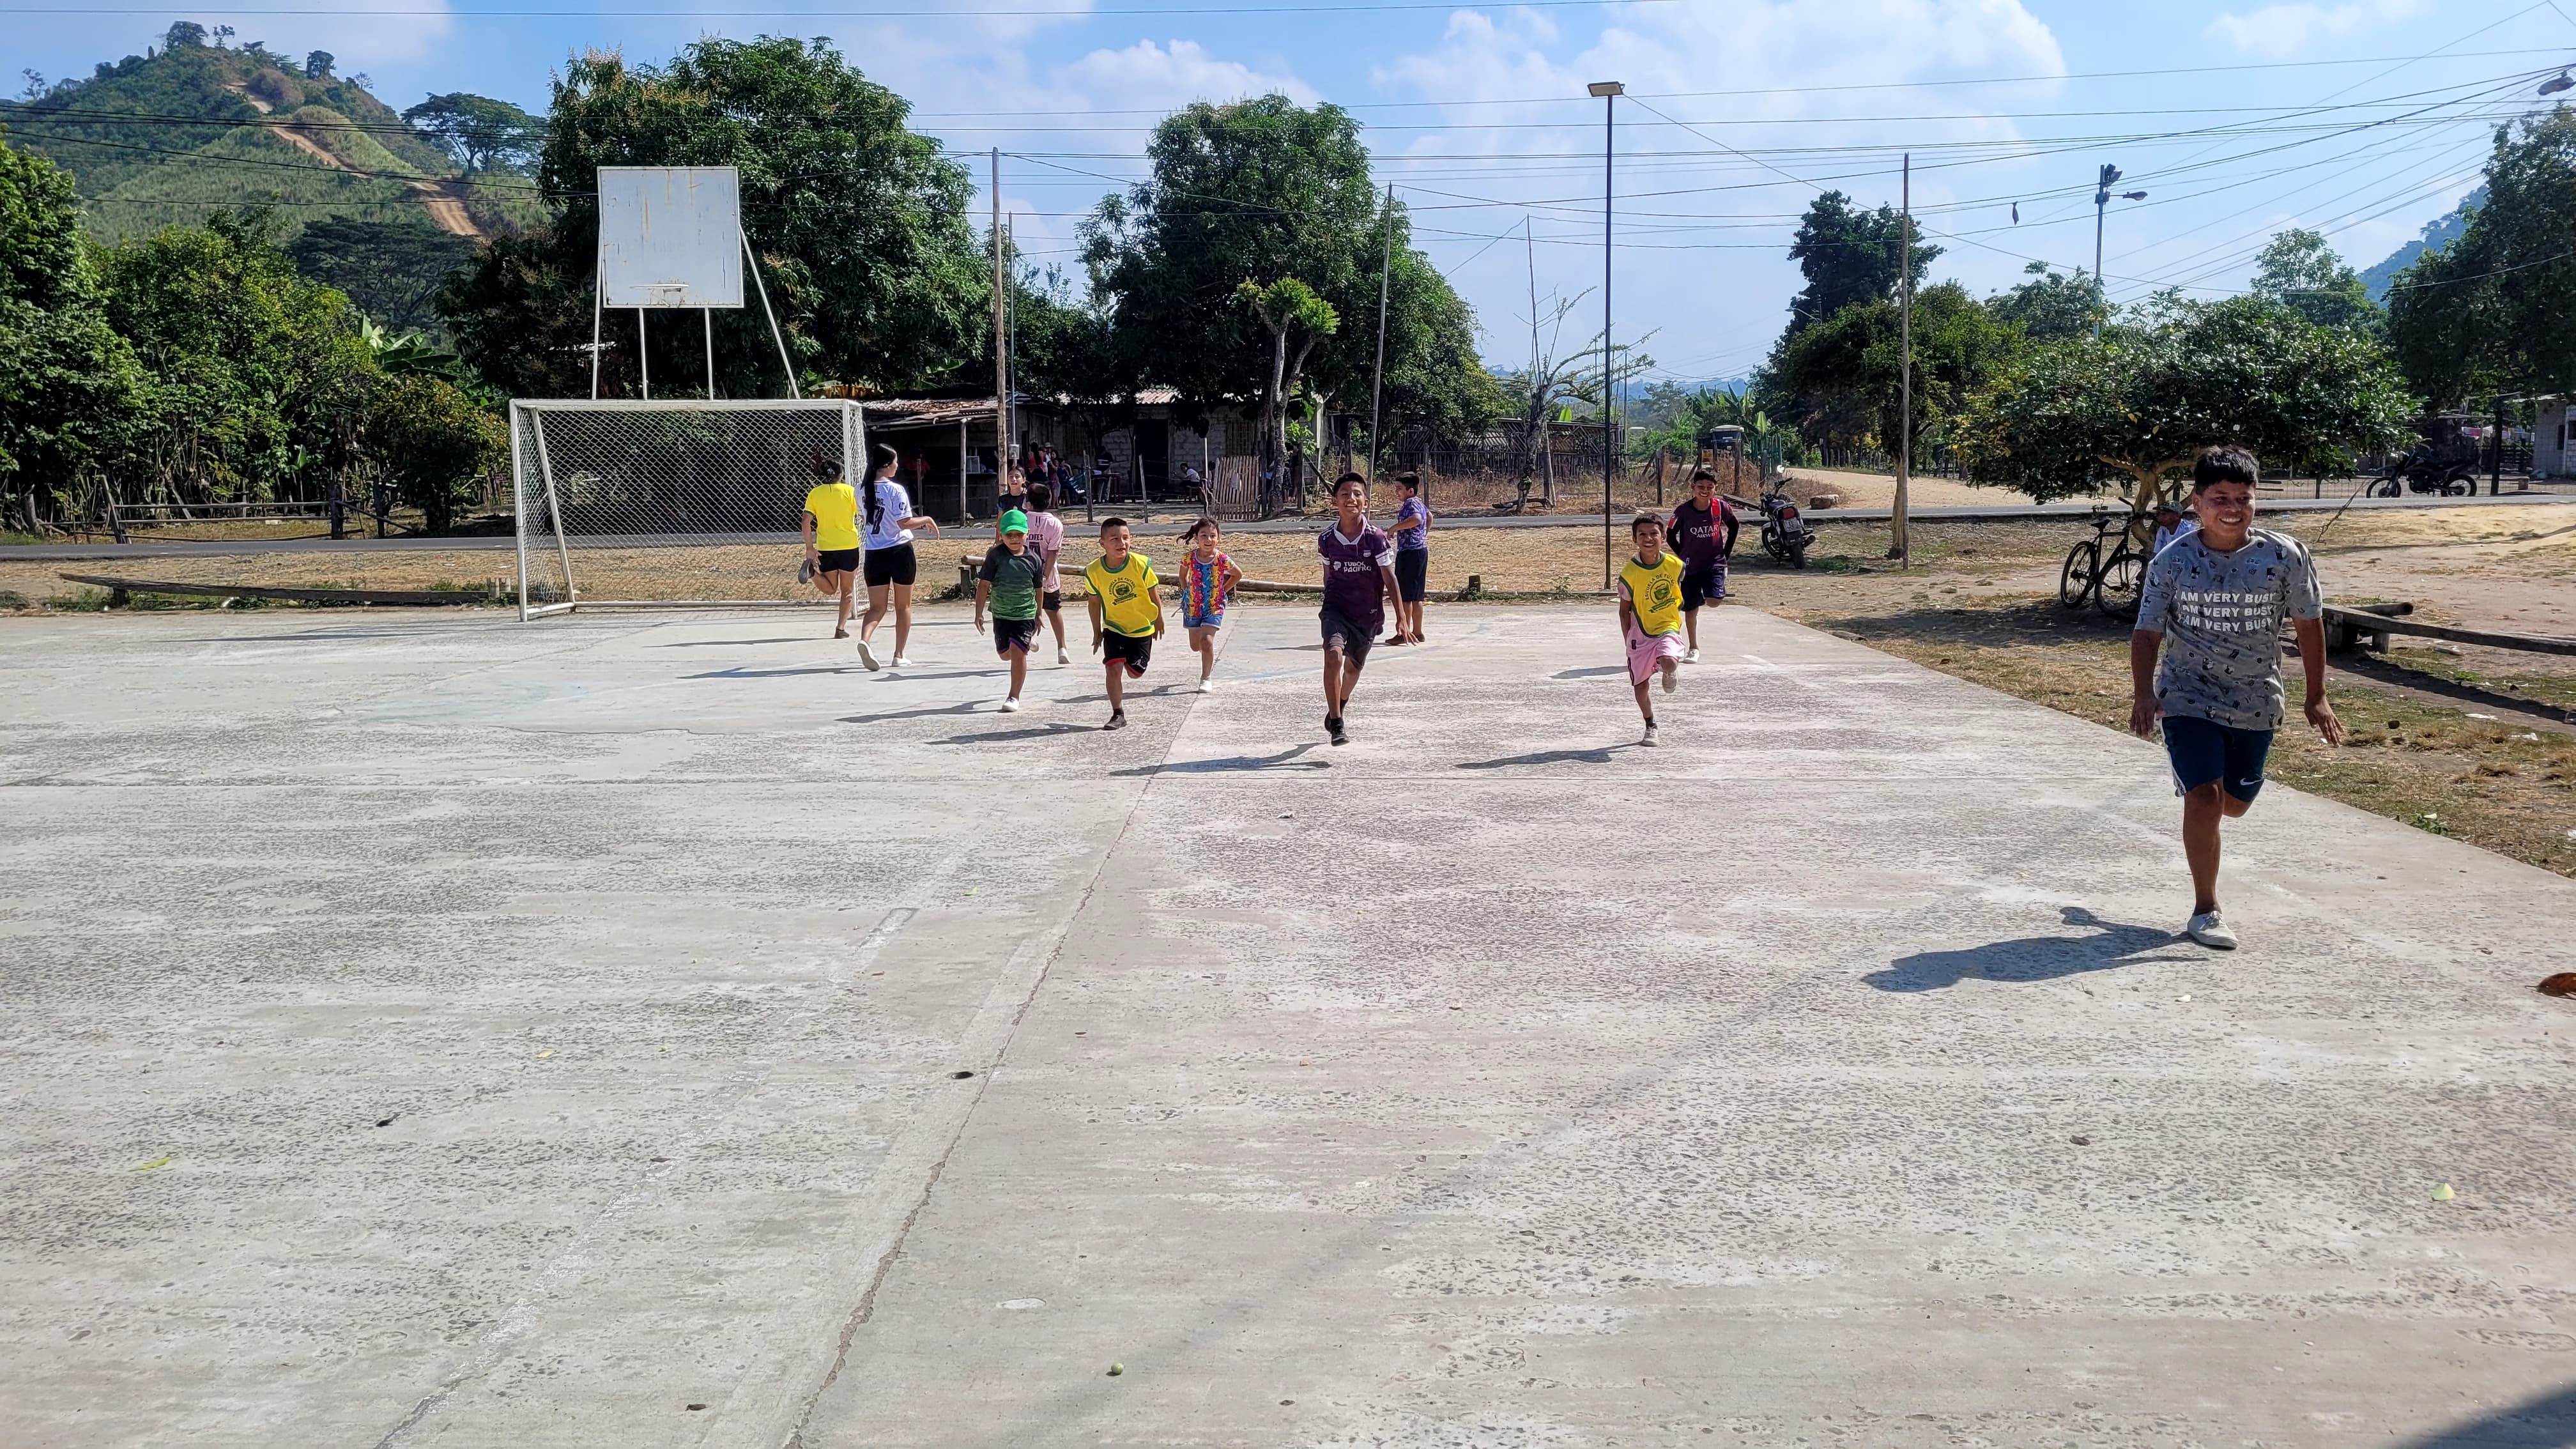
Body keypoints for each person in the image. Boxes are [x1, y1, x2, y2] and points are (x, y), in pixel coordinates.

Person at [2129, 444, 2345, 951]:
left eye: (2243, 498)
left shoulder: (2285, 556)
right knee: (2204, 798)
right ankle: (2206, 909)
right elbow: (2147, 632)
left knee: (2234, 806)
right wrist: (2143, 694)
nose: (2232, 508)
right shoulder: (2172, 560)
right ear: (2197, 503)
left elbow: (2309, 625)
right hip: (2187, 694)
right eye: (2220, 498)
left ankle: (2200, 788)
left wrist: (2317, 696)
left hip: (2256, 698)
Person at [1317, 472, 1402, 747]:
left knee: (1352, 670)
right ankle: (1337, 724)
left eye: (1357, 494)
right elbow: (1328, 576)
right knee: (1333, 656)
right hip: (1336, 609)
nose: (1351, 499)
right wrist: (1329, 606)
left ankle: (1341, 702)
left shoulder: (1375, 537)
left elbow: (1390, 578)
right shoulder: (1326, 539)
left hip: (1367, 615)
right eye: (1344, 494)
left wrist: (1402, 618)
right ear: (1335, 501)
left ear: (1365, 502)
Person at [854, 441, 941, 672]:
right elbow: (904, 522)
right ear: (885, 465)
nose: (897, 466)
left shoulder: (860, 489)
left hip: (874, 554)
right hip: (899, 551)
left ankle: (865, 640)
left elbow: (867, 516)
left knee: (876, 607)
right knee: (903, 606)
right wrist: (927, 519)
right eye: (895, 462)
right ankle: (899, 654)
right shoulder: (895, 490)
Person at [1084, 516, 1163, 731]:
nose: (1122, 543)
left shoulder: (1140, 564)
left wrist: (1159, 619)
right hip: (1114, 627)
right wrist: (1097, 631)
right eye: (1115, 539)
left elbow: (1153, 593)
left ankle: (1130, 662)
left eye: (1126, 538)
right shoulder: (1094, 571)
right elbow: (1094, 603)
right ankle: (1118, 713)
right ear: (1102, 543)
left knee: (1135, 673)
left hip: (1141, 627)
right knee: (1112, 668)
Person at [1618, 512, 1687, 747]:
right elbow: (1624, 611)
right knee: (1641, 685)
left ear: (1663, 537)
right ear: (1635, 539)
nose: (1648, 539)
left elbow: (1679, 592)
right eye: (1642, 535)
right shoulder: (1629, 573)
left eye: (1654, 534)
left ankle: (1668, 671)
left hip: (1667, 626)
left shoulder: (1675, 565)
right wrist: (1628, 638)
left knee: (1669, 660)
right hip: (1641, 634)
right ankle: (1651, 725)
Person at [1664, 469, 1740, 662]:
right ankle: (1693, 648)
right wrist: (1682, 554)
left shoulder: (1720, 507)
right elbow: (1670, 534)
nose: (1705, 491)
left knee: (1714, 601)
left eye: (1709, 487)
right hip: (1690, 566)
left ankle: (1711, 588)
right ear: (1693, 487)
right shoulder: (1683, 511)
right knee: (1691, 608)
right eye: (1701, 487)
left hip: (1714, 562)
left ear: (1715, 488)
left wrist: (1726, 553)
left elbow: (1734, 526)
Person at [974, 510, 1046, 712]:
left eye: (1019, 534)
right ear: (1001, 535)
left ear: (1027, 534)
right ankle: (1026, 644)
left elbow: (1038, 588)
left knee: (1017, 653)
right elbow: (983, 585)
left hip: (1025, 614)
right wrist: (979, 613)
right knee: (1005, 655)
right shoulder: (995, 557)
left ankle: (1014, 696)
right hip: (1001, 613)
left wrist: (1039, 613)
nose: (1014, 539)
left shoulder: (1034, 560)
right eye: (1009, 535)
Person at [797, 452, 861, 639]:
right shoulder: (850, 492)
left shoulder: (815, 493)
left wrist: (810, 547)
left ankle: (813, 573)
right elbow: (861, 513)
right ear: (841, 474)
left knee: (831, 588)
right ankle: (840, 628)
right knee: (847, 591)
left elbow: (805, 520)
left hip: (826, 547)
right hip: (848, 545)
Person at [1177, 516, 1243, 693]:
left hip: (1214, 606)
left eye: (1213, 536)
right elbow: (1183, 576)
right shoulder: (1189, 557)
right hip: (1193, 607)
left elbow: (1237, 574)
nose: (1208, 539)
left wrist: (1223, 590)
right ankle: (1206, 652)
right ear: (1197, 538)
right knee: (1195, 646)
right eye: (1204, 535)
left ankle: (1206, 678)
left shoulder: (1222, 559)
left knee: (1206, 641)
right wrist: (1187, 593)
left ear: (1219, 538)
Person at [1022, 480, 1071, 664]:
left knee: (1024, 609)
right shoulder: (1055, 523)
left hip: (1024, 574)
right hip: (1048, 575)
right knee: (1053, 610)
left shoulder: (1022, 520)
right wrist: (1045, 575)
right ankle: (1062, 647)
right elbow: (1053, 552)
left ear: (1028, 503)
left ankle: (1027, 637)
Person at [1386, 472, 1432, 646]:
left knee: (1404, 595)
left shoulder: (1410, 503)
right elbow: (1429, 517)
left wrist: (1395, 528)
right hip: (1420, 551)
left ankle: (1403, 632)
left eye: (1399, 489)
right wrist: (1423, 535)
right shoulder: (1419, 502)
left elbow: (1417, 519)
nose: (1397, 492)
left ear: (1410, 491)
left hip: (1410, 552)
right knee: (1417, 596)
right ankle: (1417, 632)